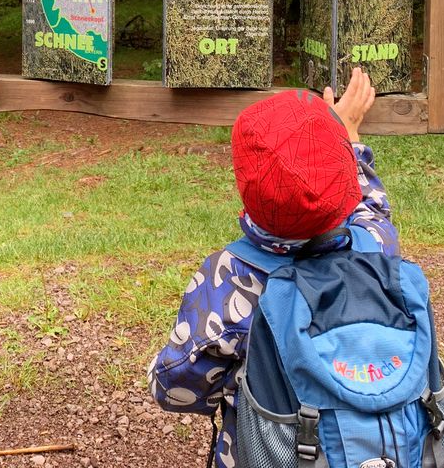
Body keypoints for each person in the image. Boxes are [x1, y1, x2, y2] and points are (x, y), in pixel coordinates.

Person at [147, 68, 395, 468]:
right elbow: (370, 204)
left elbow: (174, 385)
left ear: (247, 186)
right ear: (347, 177)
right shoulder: (375, 248)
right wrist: (346, 138)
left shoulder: (230, 279)